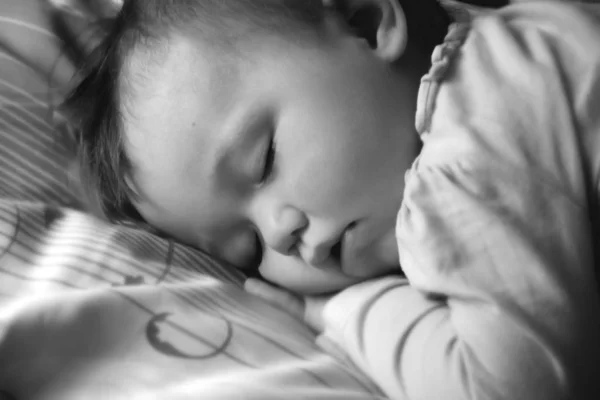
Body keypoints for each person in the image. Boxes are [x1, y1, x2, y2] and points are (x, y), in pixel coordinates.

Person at [64, 0, 600, 398]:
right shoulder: (528, 39)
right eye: (248, 249)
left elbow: (497, 388)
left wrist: (335, 310)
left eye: (264, 160)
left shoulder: (465, 159)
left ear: (367, 23)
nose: (279, 234)